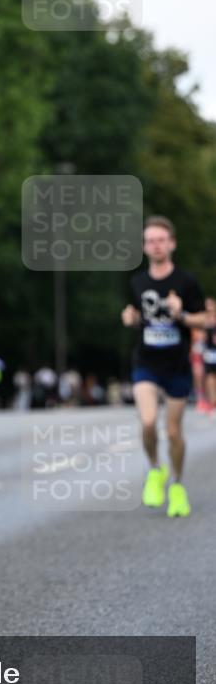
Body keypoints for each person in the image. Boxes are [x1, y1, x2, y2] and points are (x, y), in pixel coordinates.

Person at [121, 215, 206, 517]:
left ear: (172, 244)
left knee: (172, 432)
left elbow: (204, 320)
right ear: (144, 247)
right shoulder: (137, 282)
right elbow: (132, 314)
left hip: (177, 365)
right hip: (146, 362)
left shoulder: (186, 281)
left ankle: (178, 485)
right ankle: (155, 469)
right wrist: (130, 319)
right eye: (150, 241)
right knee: (147, 422)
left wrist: (181, 314)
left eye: (161, 240)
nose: (156, 245)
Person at [203, 297, 216, 414]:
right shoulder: (203, 319)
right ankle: (212, 403)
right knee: (210, 377)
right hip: (209, 352)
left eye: (211, 304)